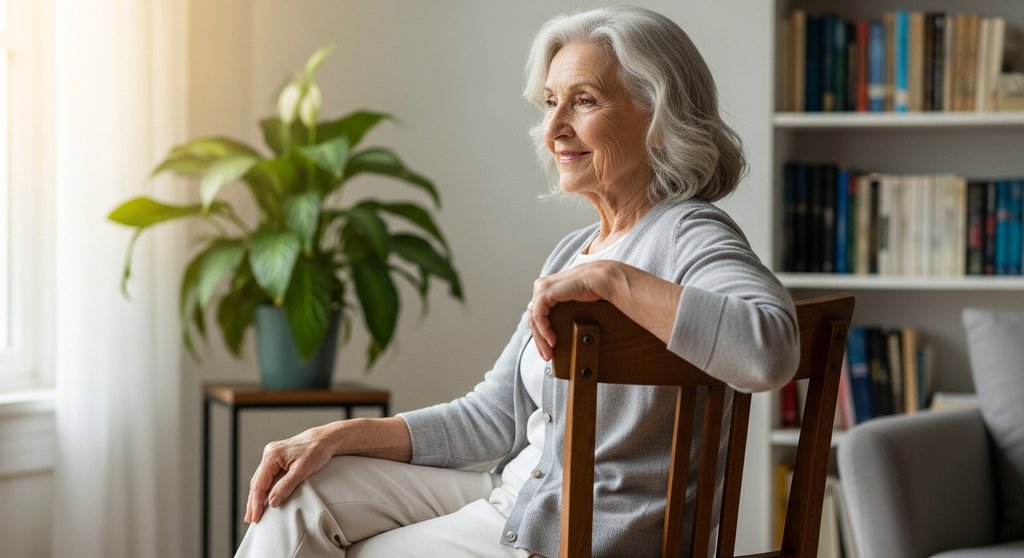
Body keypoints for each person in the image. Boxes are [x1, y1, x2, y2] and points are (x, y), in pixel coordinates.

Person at [235, 6, 798, 557]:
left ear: (659, 117)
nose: (553, 129)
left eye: (584, 101)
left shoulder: (688, 232)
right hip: (521, 492)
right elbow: (493, 418)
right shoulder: (573, 251)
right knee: (302, 491)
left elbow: (770, 350)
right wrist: (339, 435)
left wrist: (614, 281)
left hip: (576, 530)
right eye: (551, 103)